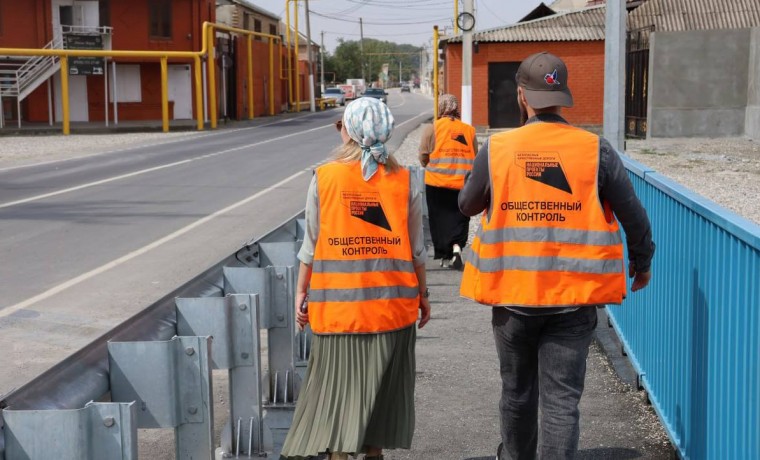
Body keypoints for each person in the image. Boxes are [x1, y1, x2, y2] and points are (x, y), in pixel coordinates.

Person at [458, 52, 655, 460]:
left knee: (517, 392)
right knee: (562, 400)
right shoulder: (594, 150)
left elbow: (466, 205)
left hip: (513, 298)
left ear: (522, 96)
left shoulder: (498, 148)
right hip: (573, 299)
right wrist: (642, 261)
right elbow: (634, 215)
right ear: (562, 95)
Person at [280, 97, 431, 460]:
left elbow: (310, 246)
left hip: (338, 312)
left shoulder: (325, 177)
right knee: (380, 392)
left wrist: (302, 291)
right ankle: (374, 452)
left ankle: (338, 454)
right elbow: (416, 249)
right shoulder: (405, 179)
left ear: (347, 131)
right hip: (391, 310)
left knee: (336, 395)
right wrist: (423, 294)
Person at [418, 94, 478, 269]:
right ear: (456, 107)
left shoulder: (432, 128)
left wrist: (426, 163)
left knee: (440, 220)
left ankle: (445, 256)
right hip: (463, 184)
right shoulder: (469, 130)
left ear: (441, 107)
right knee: (460, 218)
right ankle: (457, 248)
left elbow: (423, 155)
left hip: (437, 183)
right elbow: (475, 155)